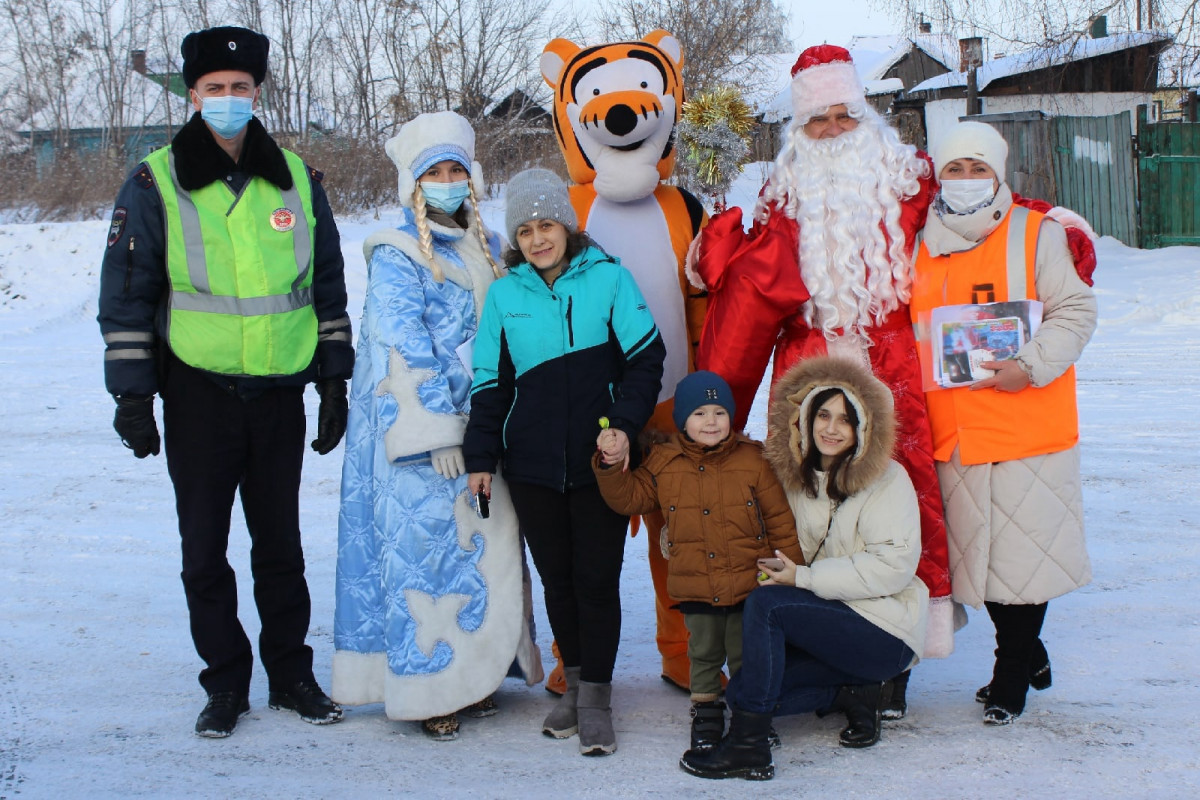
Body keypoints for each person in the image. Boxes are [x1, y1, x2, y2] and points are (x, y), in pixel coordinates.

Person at [97, 26, 352, 738]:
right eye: (215, 89)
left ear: (258, 92)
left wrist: (334, 380)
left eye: (241, 89)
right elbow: (127, 291)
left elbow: (325, 285)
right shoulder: (155, 179)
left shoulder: (296, 178)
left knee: (281, 546)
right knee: (204, 549)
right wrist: (132, 394)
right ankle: (226, 682)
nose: (229, 99)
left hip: (278, 394)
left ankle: (293, 675)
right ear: (192, 93)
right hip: (198, 393)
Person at [690, 46, 954, 708]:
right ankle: (815, 648)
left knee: (902, 509)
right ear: (798, 131)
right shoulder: (784, 198)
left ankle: (893, 664)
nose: (834, 129)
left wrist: (1042, 230)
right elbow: (752, 289)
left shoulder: (908, 182)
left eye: (844, 114)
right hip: (808, 372)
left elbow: (980, 225)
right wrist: (713, 254)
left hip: (891, 365)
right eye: (818, 119)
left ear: (864, 117)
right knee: (804, 511)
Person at [330, 111, 543, 741]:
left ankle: (479, 673)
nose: (447, 183)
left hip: (488, 426)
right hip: (427, 438)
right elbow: (403, 347)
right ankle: (430, 687)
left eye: (457, 171)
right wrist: (443, 430)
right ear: (414, 186)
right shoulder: (398, 255)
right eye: (434, 174)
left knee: (489, 551)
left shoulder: (489, 247)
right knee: (426, 558)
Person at [463, 168, 665, 756]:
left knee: (596, 582)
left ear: (566, 226)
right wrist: (482, 456)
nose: (536, 239)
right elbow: (489, 384)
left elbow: (647, 360)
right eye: (524, 230)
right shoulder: (505, 295)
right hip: (531, 469)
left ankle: (597, 700)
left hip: (600, 462)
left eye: (546, 224)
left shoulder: (608, 279)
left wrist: (624, 427)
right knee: (559, 583)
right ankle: (575, 685)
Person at [540, 29, 709, 694]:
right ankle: (574, 656)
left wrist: (704, 389)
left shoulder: (683, 205)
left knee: (682, 541)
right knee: (588, 543)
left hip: (670, 401)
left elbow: (699, 300)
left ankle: (684, 651)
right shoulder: (564, 210)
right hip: (591, 408)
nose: (620, 112)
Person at [910, 121, 1095, 725]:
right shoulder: (916, 239)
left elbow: (1075, 309)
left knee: (1020, 562)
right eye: (955, 169)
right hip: (953, 429)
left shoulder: (1035, 233)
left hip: (1024, 425)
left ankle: (1010, 672)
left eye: (978, 168)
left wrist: (1029, 364)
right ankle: (1028, 651)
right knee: (980, 566)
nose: (966, 180)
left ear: (999, 172)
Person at [680, 356, 928, 781]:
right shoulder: (794, 477)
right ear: (808, 418)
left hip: (884, 631)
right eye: (823, 415)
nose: (831, 429)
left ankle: (748, 746)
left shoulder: (888, 480)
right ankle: (853, 691)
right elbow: (747, 526)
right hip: (825, 626)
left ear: (863, 427)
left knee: (769, 605)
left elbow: (893, 567)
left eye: (845, 420)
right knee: (744, 691)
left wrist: (804, 578)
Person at [590, 371, 803, 755]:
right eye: (700, 413)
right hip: (696, 583)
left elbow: (779, 521)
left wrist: (791, 571)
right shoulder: (664, 462)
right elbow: (630, 498)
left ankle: (748, 714)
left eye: (719, 413)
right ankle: (705, 712)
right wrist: (609, 466)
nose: (710, 422)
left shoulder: (754, 461)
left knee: (745, 654)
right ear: (683, 420)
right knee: (703, 653)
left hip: (747, 584)